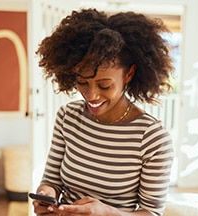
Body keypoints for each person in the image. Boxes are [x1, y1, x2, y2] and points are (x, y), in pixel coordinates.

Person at [32, 8, 175, 216]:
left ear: (129, 74)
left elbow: (152, 213)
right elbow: (51, 181)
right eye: (82, 82)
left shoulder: (152, 139)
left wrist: (107, 213)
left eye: (105, 85)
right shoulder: (68, 117)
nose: (91, 95)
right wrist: (46, 195)